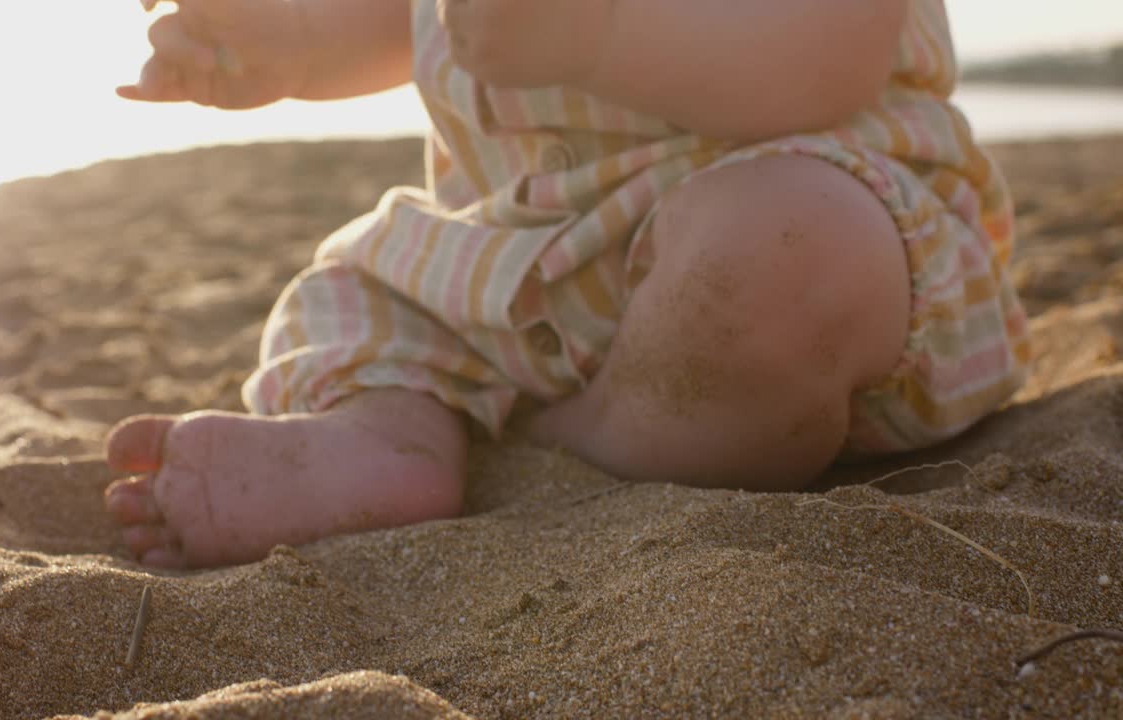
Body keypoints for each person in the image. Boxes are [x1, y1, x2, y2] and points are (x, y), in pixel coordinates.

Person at [103, 0, 1030, 568]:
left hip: (796, 208)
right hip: (527, 263)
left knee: (785, 253)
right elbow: (407, 18)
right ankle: (382, 439)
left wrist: (599, 36)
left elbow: (829, 50)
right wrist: (296, 43)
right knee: (367, 289)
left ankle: (586, 433)